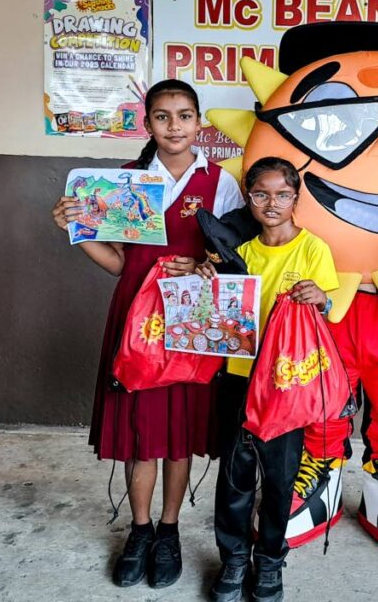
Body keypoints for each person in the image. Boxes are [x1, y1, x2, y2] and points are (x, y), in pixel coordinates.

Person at [50, 79, 243, 589]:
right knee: (142, 437)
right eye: (162, 116)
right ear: (147, 123)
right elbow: (117, 264)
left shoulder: (221, 182)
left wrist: (203, 264)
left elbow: (232, 261)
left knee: (177, 438)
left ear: (200, 123)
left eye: (184, 115)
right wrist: (78, 232)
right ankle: (139, 531)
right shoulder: (127, 182)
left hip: (190, 321)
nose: (174, 125)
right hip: (136, 320)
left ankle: (169, 530)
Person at [196, 156, 340, 602]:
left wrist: (321, 299)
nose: (271, 203)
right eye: (261, 194)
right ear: (248, 197)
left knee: (280, 481)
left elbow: (328, 311)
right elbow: (212, 316)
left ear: (296, 198)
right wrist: (207, 279)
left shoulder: (313, 249)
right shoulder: (236, 252)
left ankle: (271, 563)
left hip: (284, 385)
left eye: (282, 194)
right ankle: (234, 561)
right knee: (235, 476)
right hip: (239, 378)